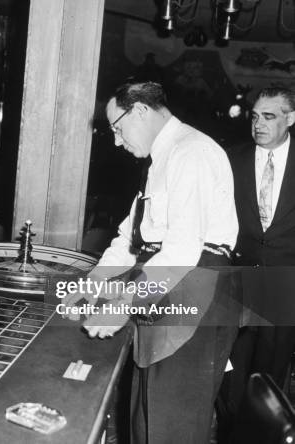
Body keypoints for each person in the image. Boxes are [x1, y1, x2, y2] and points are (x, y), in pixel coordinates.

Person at [64, 82, 239, 444]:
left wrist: (123, 305)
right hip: (162, 300)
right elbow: (130, 242)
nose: (116, 141)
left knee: (170, 430)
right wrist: (87, 287)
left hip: (194, 300)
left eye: (117, 127)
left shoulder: (191, 152)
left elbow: (182, 251)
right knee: (145, 425)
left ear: (141, 110)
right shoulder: (160, 160)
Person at [218, 87, 295, 439]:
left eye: (269, 116)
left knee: (271, 383)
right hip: (238, 288)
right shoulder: (229, 160)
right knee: (230, 377)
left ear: (290, 119)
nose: (258, 124)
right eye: (254, 116)